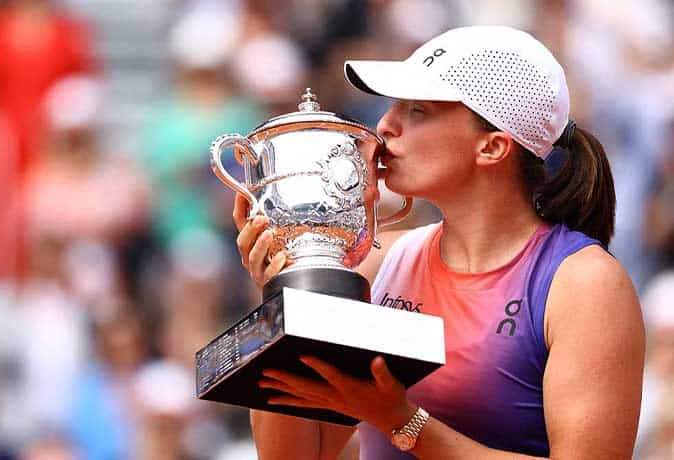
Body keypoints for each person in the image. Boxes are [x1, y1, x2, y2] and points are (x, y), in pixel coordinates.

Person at [232, 26, 644, 459]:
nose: (385, 126)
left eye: (418, 111)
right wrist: (285, 295)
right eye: (394, 107)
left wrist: (403, 421)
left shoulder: (585, 284)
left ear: (492, 147)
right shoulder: (378, 263)